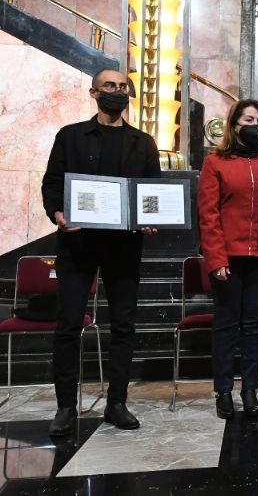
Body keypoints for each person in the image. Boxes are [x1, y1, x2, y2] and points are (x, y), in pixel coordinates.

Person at [41, 68, 161, 435]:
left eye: (124, 87)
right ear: (94, 92)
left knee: (123, 326)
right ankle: (65, 407)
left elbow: (152, 192)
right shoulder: (70, 136)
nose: (118, 91)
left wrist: (150, 216)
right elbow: (53, 183)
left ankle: (117, 402)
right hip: (77, 246)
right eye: (111, 86)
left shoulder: (144, 143)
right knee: (68, 325)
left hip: (123, 248)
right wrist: (58, 213)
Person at [198, 99, 258, 419]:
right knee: (227, 326)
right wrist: (216, 258)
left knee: (253, 326)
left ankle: (250, 388)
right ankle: (223, 391)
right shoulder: (215, 162)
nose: (256, 124)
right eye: (249, 118)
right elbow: (208, 215)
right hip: (228, 256)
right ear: (235, 124)